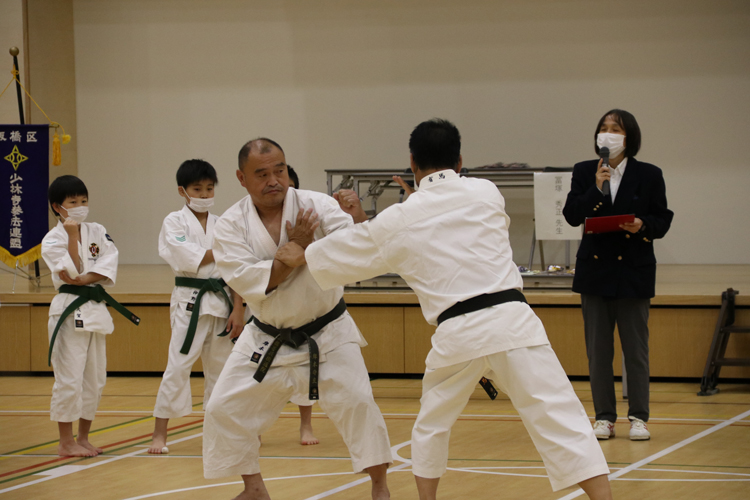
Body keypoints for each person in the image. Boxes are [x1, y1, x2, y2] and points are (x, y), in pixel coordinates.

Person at [277, 119, 613, 500]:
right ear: (460, 159)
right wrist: (417, 200)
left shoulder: (399, 218)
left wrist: (303, 253)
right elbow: (442, 225)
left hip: (457, 334)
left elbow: (361, 250)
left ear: (411, 161)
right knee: (561, 418)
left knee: (432, 424)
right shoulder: (486, 192)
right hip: (513, 323)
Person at [202, 138, 391, 500]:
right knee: (224, 407)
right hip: (267, 336)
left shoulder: (316, 206)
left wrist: (306, 248)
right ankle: (254, 489)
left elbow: (354, 253)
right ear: (242, 178)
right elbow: (255, 283)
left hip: (328, 330)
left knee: (360, 405)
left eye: (280, 170)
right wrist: (289, 257)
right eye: (262, 174)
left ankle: (380, 487)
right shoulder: (229, 226)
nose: (274, 179)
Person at [563, 109, 673, 441]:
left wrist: (642, 226)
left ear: (629, 137)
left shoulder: (649, 174)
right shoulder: (586, 171)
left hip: (633, 272)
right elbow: (571, 215)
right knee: (598, 351)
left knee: (635, 350)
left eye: (615, 129)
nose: (608, 134)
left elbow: (662, 219)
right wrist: (596, 191)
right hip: (595, 272)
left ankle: (638, 417)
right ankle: (604, 417)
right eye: (603, 128)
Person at [147, 160, 245, 454]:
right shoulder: (174, 222)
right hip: (190, 302)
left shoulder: (223, 222)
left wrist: (238, 308)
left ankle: (222, 431)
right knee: (177, 366)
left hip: (223, 301)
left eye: (209, 188)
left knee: (222, 370)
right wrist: (224, 251)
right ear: (183, 191)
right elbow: (192, 257)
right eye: (197, 189)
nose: (204, 194)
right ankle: (159, 434)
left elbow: (237, 266)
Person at [42, 175, 139, 457]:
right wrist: (72, 239)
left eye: (83, 201)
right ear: (57, 207)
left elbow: (109, 262)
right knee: (69, 378)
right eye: (73, 202)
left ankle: (83, 437)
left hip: (95, 310)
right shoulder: (53, 239)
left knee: (94, 378)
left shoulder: (97, 230)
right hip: (68, 310)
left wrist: (84, 279)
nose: (81, 206)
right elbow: (69, 274)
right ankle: (65, 441)